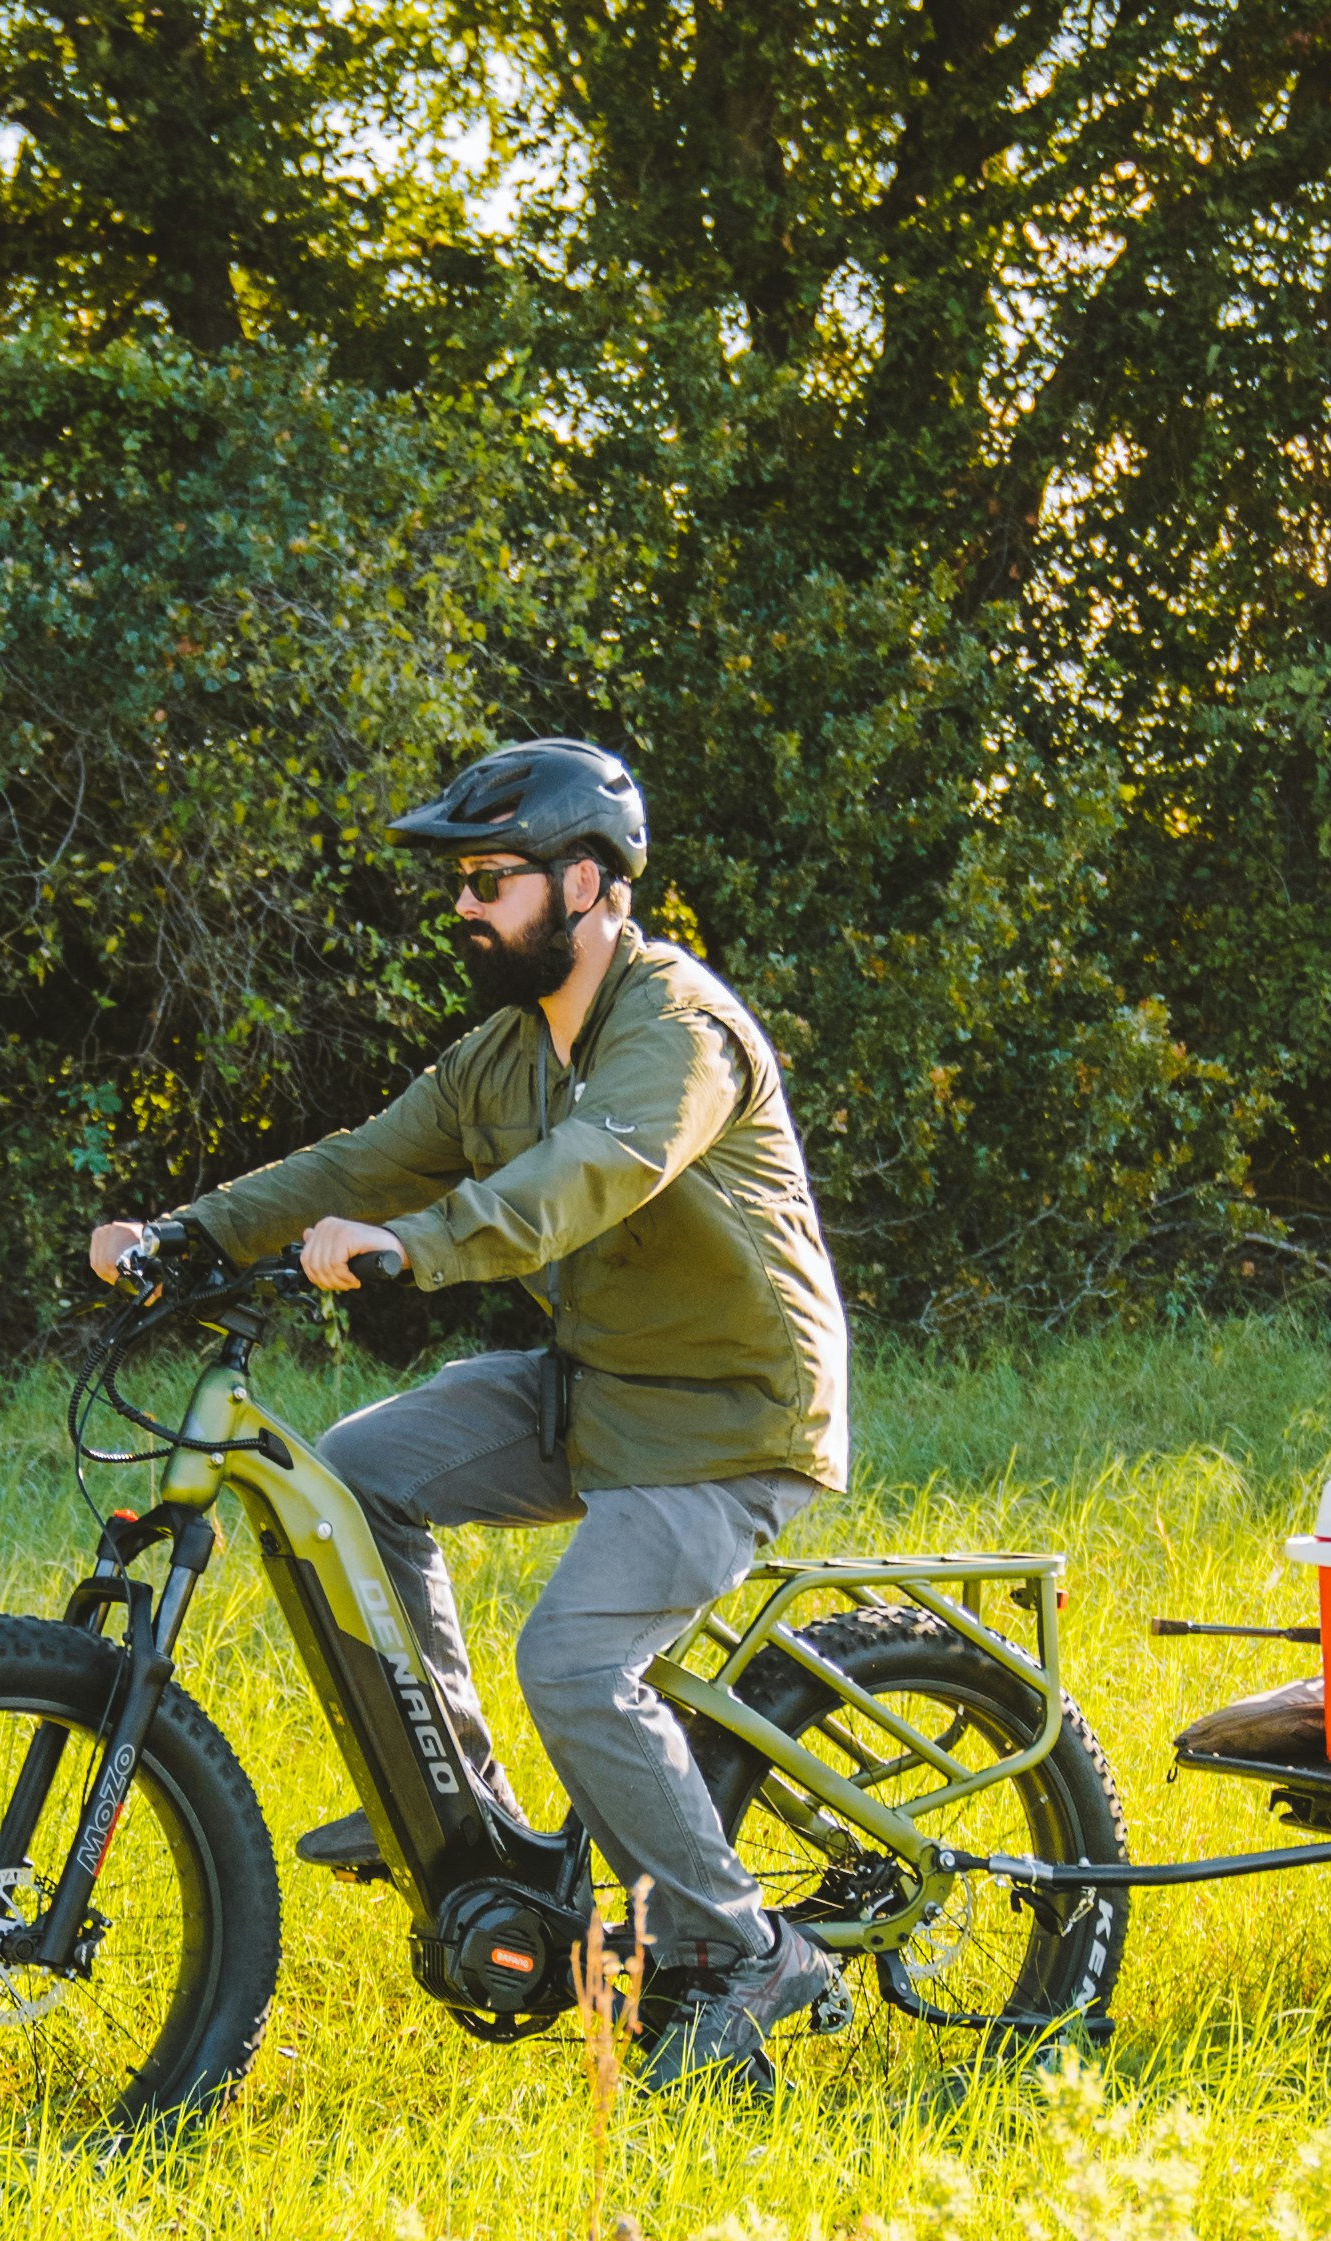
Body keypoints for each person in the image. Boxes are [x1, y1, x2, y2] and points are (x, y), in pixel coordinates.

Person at [87, 739, 854, 2093]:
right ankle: (468, 1822)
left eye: (489, 880)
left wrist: (415, 1249)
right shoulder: (504, 1055)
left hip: (733, 1420)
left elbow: (592, 1174)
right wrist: (185, 1236)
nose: (464, 908)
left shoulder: (677, 1030)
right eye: (460, 882)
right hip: (600, 1383)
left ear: (589, 884)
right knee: (353, 1479)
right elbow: (360, 1159)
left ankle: (743, 1951)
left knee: (570, 1660)